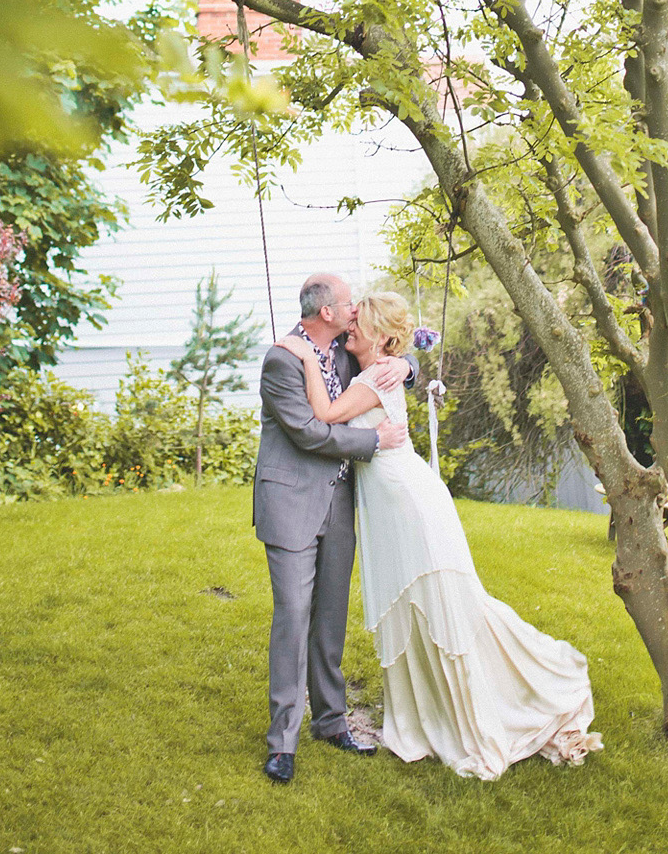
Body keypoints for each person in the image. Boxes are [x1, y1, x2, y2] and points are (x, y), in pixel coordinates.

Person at [276, 290, 603, 781]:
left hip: (409, 505)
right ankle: (430, 709)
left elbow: (323, 416)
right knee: (420, 605)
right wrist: (403, 363)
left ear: (382, 337)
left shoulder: (374, 373)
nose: (350, 327)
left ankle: (481, 710)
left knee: (443, 602)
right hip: (392, 502)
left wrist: (309, 357)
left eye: (359, 322)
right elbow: (369, 367)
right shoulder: (373, 365)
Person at [253, 273, 415, 785]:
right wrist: (376, 443)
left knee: (330, 616)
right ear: (326, 311)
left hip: (338, 504)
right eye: (348, 305)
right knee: (294, 615)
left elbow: (382, 363)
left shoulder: (344, 353)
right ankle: (283, 743)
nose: (353, 312)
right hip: (290, 503)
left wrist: (405, 366)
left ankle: (331, 722)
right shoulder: (282, 359)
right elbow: (307, 432)